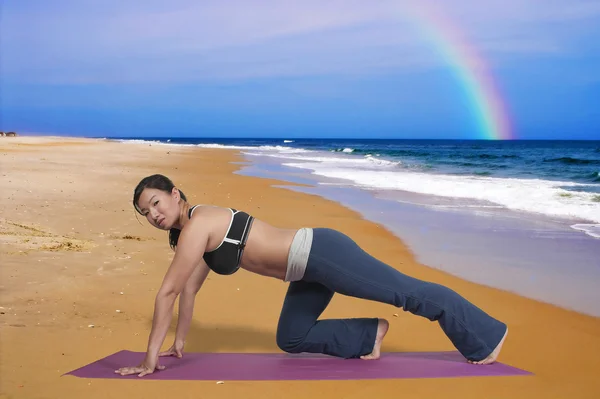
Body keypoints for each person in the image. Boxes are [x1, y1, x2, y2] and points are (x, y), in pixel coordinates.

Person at [115, 174, 508, 377]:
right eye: (146, 212)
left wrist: (149, 361)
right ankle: (368, 336)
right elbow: (187, 291)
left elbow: (165, 293)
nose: (154, 215)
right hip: (304, 271)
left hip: (322, 253)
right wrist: (177, 342)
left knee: (407, 293)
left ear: (176, 195)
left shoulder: (198, 224)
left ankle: (485, 337)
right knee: (292, 337)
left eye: (156, 203)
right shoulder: (192, 234)